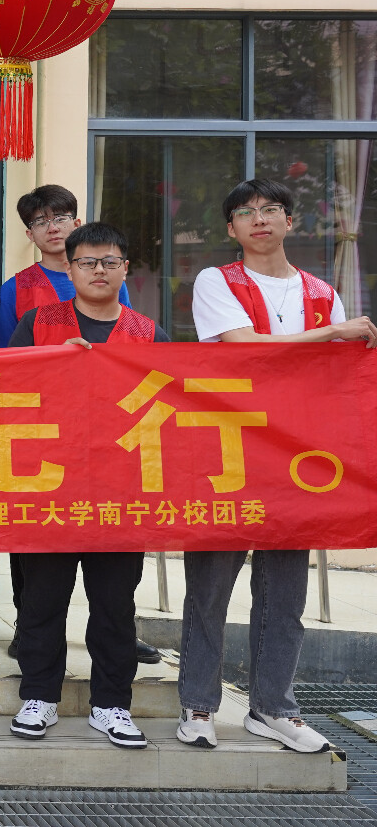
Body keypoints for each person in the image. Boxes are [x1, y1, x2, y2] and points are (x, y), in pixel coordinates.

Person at [178, 179, 377, 754]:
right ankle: (198, 704)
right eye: (245, 212)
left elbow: (335, 378)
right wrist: (333, 332)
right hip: (228, 454)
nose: (259, 218)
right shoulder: (217, 280)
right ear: (231, 228)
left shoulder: (321, 292)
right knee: (211, 588)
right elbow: (246, 349)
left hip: (298, 457)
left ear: (291, 221)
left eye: (271, 209)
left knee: (285, 592)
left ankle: (273, 708)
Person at [6, 223, 165, 750]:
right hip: (49, 487)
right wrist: (50, 367)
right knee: (42, 601)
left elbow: (170, 407)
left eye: (110, 261)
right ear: (69, 268)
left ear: (126, 269)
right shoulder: (37, 323)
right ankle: (38, 697)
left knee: (115, 605)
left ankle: (112, 705)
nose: (99, 271)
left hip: (121, 493)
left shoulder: (149, 334)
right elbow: (6, 390)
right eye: (88, 262)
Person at [0, 185, 131, 350]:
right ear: (30, 234)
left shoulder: (107, 279)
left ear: (77, 224)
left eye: (60, 219)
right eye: (41, 222)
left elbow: (127, 337)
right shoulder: (13, 290)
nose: (53, 229)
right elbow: (8, 356)